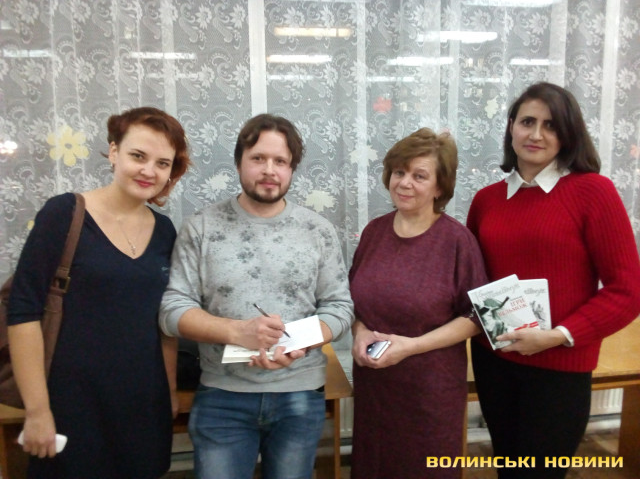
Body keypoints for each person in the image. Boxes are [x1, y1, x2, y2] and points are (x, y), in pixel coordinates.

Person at [159, 113, 354, 479]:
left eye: (280, 161)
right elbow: (173, 310)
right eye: (258, 158)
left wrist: (297, 343)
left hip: (299, 395)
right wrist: (237, 332)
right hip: (222, 396)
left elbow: (340, 308)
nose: (269, 170)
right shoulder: (201, 227)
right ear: (239, 163)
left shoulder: (318, 230)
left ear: (292, 169)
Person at [467, 82, 640, 478]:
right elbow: (473, 280)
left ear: (568, 134)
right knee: (509, 468)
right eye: (527, 122)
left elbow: (627, 292)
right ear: (511, 127)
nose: (536, 134)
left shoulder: (593, 192)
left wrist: (559, 335)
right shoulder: (487, 200)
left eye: (551, 125)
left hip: (559, 365)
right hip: (495, 361)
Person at [7, 107, 192, 478]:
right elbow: (23, 311)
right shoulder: (64, 213)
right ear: (113, 152)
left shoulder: (165, 230)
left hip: (142, 402)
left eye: (162, 163)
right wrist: (38, 410)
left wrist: (169, 391)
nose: (149, 171)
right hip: (70, 403)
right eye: (138, 156)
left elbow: (164, 321)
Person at [349, 128, 487, 479]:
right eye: (399, 172)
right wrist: (359, 332)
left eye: (419, 176)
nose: (405, 183)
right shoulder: (374, 232)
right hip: (375, 389)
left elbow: (477, 316)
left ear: (440, 187)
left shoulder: (457, 241)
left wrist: (411, 347)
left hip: (430, 393)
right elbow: (353, 301)